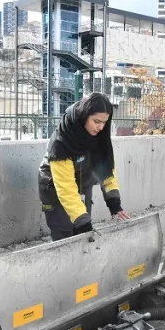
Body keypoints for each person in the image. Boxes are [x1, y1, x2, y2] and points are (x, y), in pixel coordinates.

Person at [38, 93, 131, 240]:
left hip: (82, 184)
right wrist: (83, 222)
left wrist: (114, 203)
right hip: (55, 189)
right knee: (66, 235)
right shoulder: (61, 142)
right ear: (84, 116)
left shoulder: (99, 135)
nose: (101, 127)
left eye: (104, 122)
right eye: (96, 121)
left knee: (83, 235)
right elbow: (65, 188)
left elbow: (106, 170)